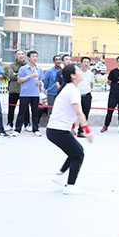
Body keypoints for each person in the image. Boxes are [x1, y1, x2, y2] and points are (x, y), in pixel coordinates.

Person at [47, 63, 94, 195]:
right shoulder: (73, 90)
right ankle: (70, 186)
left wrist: (72, 127)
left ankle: (60, 175)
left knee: (74, 152)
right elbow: (79, 113)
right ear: (73, 75)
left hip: (55, 130)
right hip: (58, 130)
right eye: (78, 70)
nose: (81, 72)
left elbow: (67, 110)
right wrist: (87, 131)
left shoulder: (68, 88)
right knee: (78, 154)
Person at [13, 51, 44, 136]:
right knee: (22, 112)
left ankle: (35, 129)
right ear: (29, 58)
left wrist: (40, 83)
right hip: (25, 94)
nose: (35, 58)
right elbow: (19, 80)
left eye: (36, 56)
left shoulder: (39, 69)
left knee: (35, 113)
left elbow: (41, 79)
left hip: (35, 94)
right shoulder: (23, 69)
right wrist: (30, 76)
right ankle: (17, 130)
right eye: (33, 56)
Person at [5, 49, 26, 129]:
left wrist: (16, 74)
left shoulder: (27, 65)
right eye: (19, 54)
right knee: (11, 107)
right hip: (13, 89)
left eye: (22, 54)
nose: (21, 56)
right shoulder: (12, 65)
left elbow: (29, 75)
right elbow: (11, 76)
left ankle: (27, 123)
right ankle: (10, 123)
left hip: (24, 90)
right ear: (15, 56)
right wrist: (22, 75)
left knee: (25, 108)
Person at [76, 57, 95, 137]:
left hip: (87, 95)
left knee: (85, 113)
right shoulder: (76, 72)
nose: (86, 64)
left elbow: (91, 85)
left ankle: (81, 131)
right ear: (81, 63)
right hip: (77, 95)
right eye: (84, 62)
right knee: (74, 113)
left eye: (88, 62)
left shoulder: (91, 74)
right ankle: (70, 129)